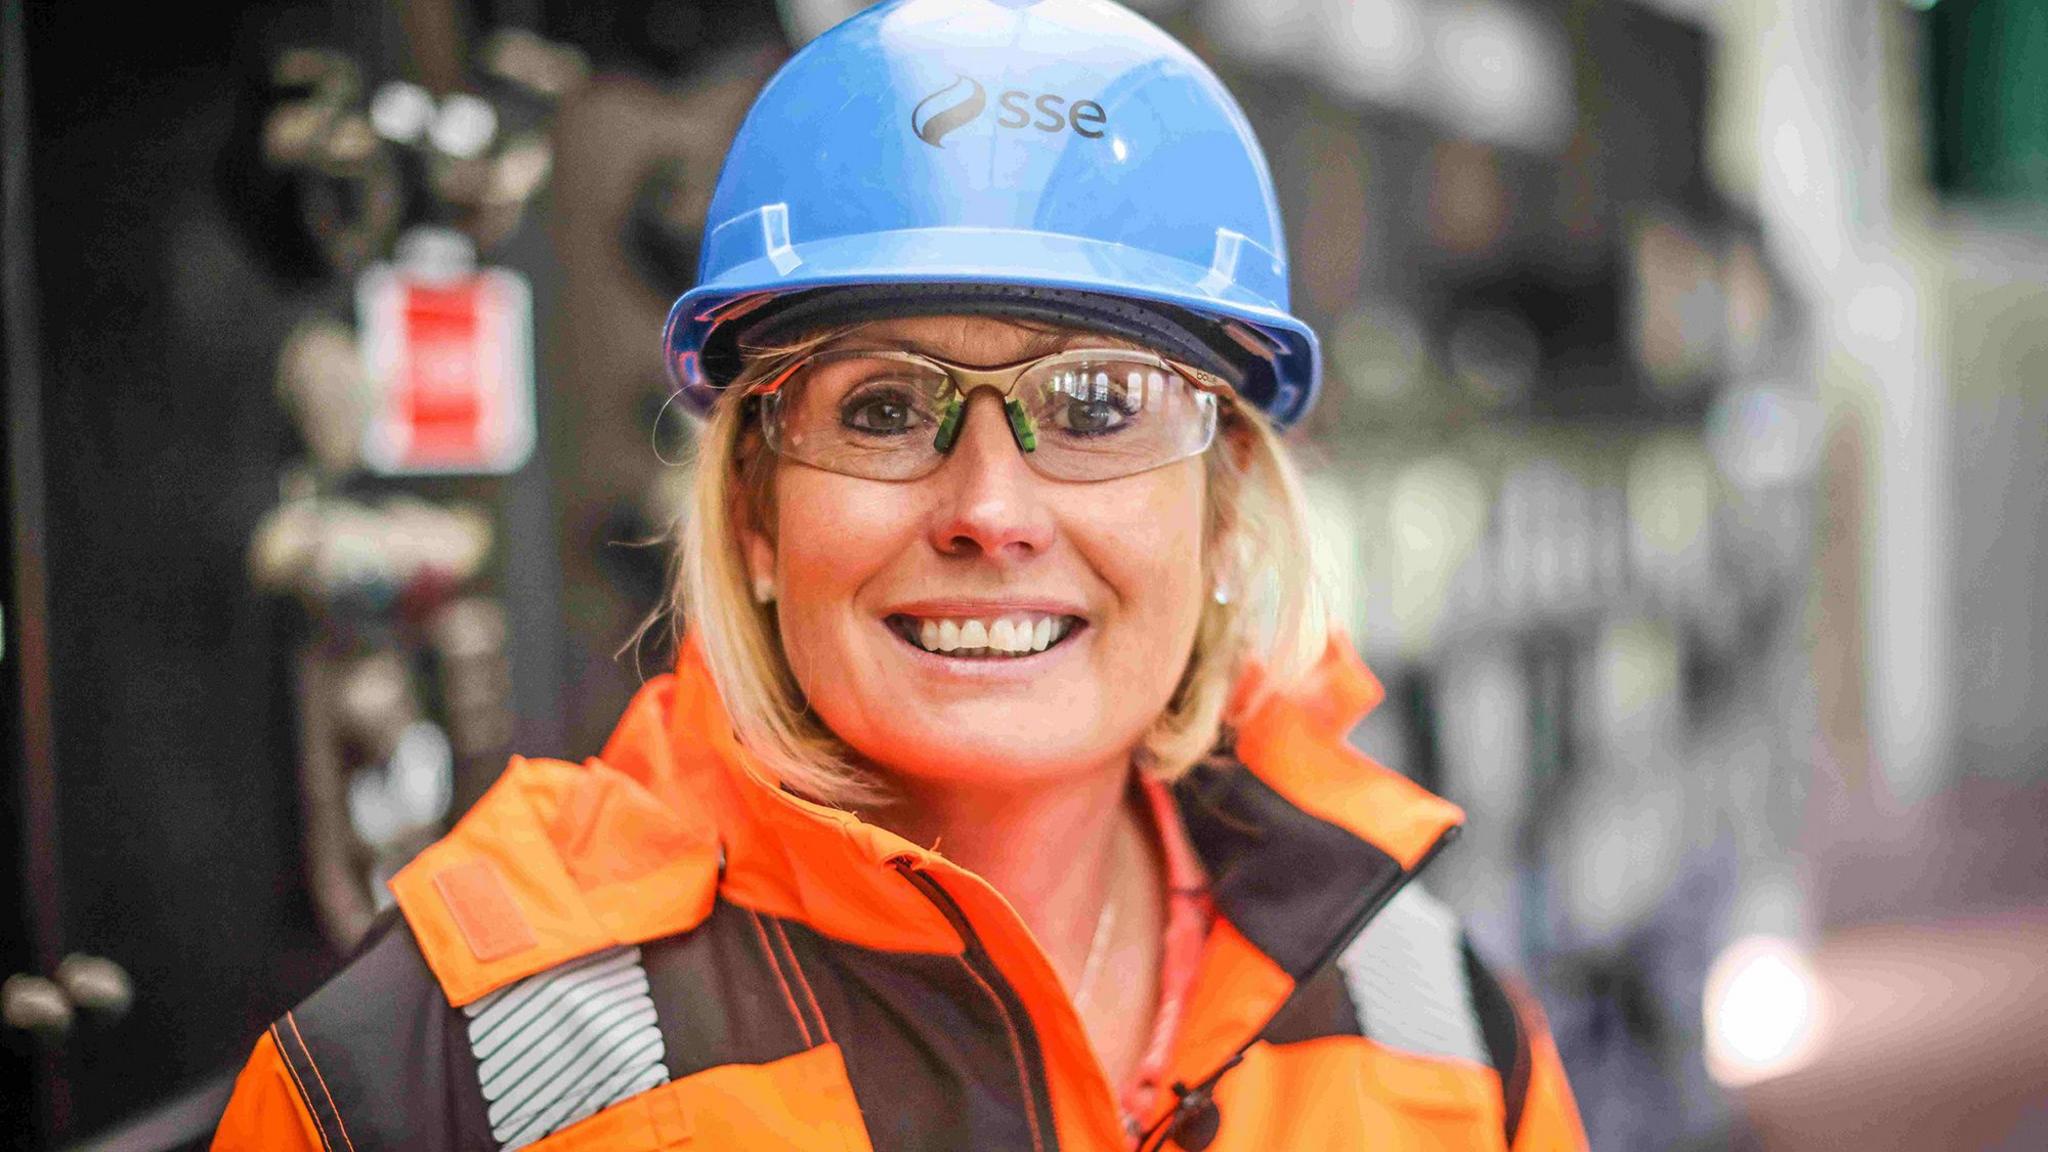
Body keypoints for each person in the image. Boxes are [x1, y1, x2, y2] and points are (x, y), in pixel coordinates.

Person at [213, 1, 1585, 1148]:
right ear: (752, 510)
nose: (990, 510)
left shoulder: (1442, 1042)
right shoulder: (437, 1081)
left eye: (1099, 404)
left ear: (1225, 511)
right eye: (878, 408)